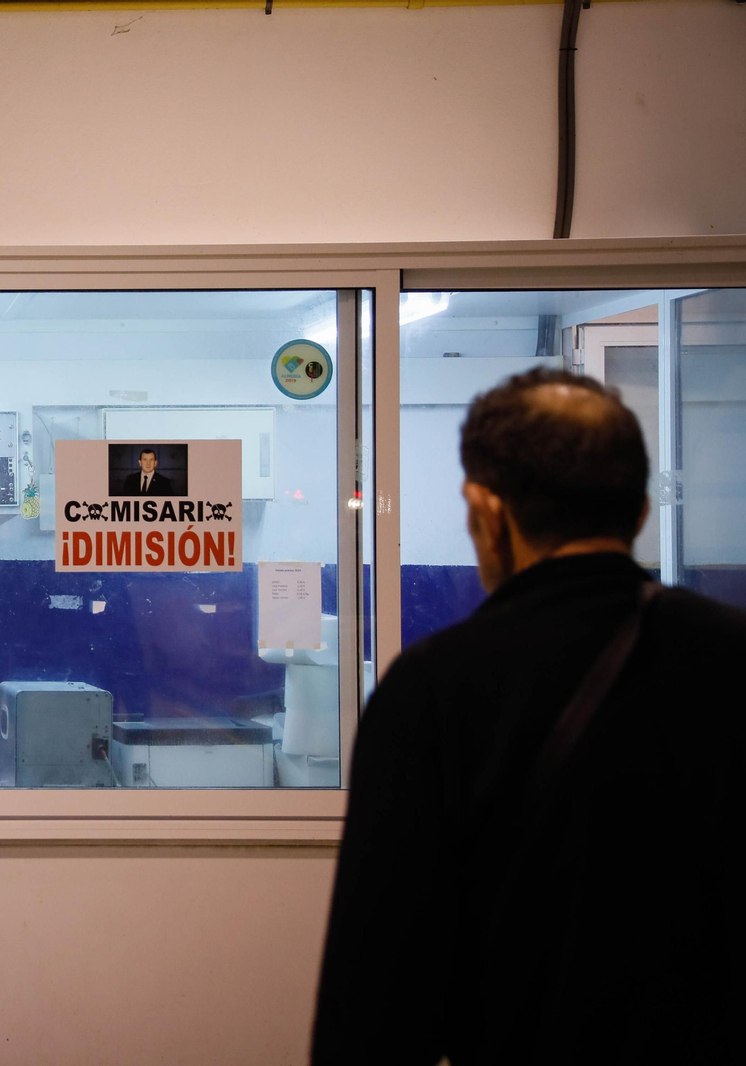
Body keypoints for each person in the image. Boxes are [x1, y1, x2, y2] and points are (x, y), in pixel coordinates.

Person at [313, 368, 743, 1065]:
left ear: (485, 510)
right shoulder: (731, 656)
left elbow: (376, 996)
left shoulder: (435, 687)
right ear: (638, 513)